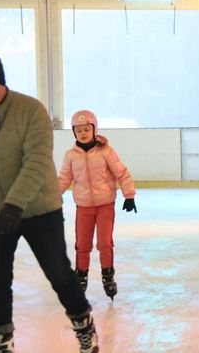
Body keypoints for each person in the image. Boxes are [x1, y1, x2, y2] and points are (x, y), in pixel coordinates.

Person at [0, 51, 98, 353]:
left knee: (58, 273)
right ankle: (1, 339)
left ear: (0, 83)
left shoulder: (31, 111)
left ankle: (84, 324)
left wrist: (15, 204)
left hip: (39, 210)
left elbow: (37, 161)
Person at [58, 109, 137, 300]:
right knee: (82, 245)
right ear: (74, 133)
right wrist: (51, 198)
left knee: (104, 243)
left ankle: (107, 275)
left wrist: (129, 194)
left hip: (105, 205)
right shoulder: (71, 155)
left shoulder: (106, 152)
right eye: (79, 130)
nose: (83, 133)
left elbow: (122, 173)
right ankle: (81, 276)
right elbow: (63, 179)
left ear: (94, 129)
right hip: (83, 207)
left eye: (86, 129)